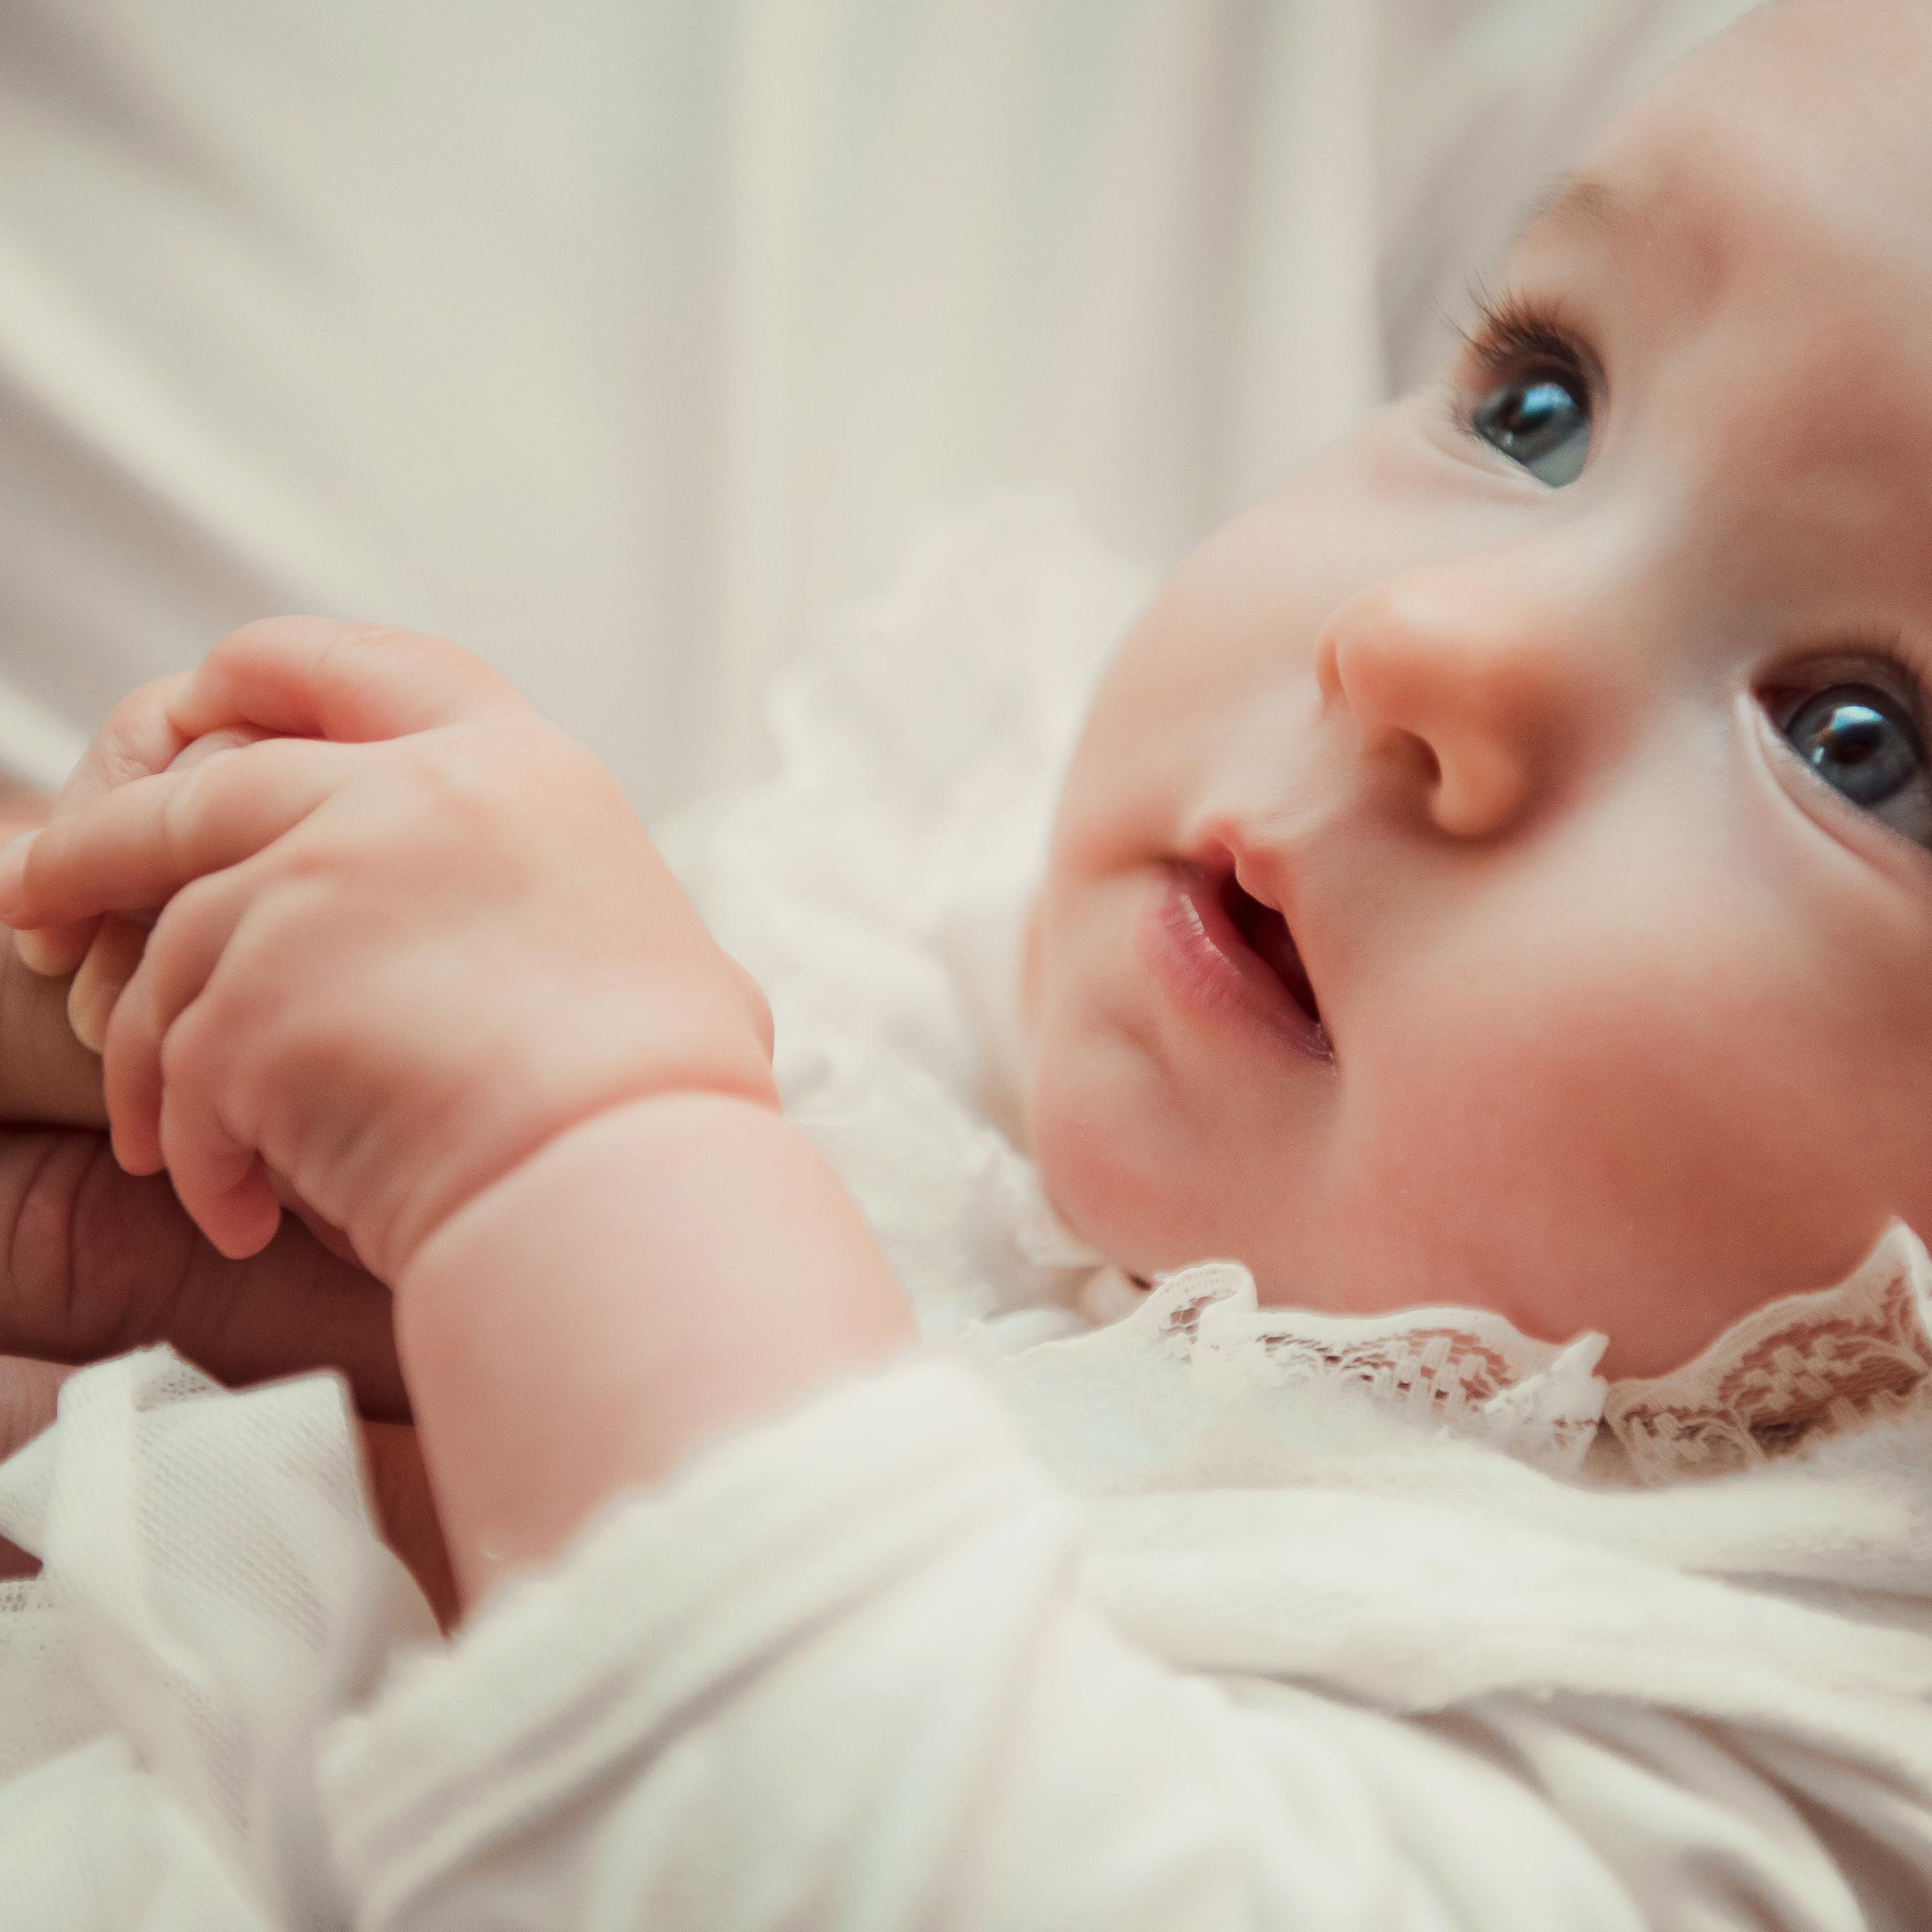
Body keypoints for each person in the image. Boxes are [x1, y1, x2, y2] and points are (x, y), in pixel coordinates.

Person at [4, 0, 1932, 1924]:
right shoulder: (938, 943)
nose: (1429, 639)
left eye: (1858, 738)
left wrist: (571, 1155)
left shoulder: (1771, 1750)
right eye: (1540, 401)